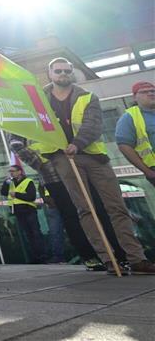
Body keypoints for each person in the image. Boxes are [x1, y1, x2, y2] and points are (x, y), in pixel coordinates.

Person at [41, 58, 155, 274]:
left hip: (94, 157)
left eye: (67, 70)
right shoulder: (39, 100)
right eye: (58, 71)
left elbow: (93, 125)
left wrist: (77, 143)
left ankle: (137, 258)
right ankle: (109, 259)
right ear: (50, 73)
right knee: (86, 210)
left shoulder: (87, 96)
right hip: (63, 159)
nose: (63, 74)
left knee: (117, 206)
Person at [10, 137, 104, 270]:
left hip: (74, 167)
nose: (11, 173)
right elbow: (15, 143)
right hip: (53, 176)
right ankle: (89, 256)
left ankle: (105, 253)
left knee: (91, 210)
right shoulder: (19, 117)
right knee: (70, 215)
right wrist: (40, 164)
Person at [0, 166, 46, 264]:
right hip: (18, 212)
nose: (11, 173)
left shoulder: (28, 181)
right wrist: (5, 182)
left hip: (28, 211)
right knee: (27, 235)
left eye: (13, 171)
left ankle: (42, 256)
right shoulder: (11, 183)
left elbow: (31, 196)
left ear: (20, 172)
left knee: (35, 234)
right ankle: (34, 257)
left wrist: (16, 194)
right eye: (10, 171)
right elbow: (3, 192)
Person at [115, 81, 155, 188]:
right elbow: (124, 146)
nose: (151, 94)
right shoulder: (130, 117)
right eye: (144, 92)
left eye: (153, 91)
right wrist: (147, 171)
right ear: (135, 97)